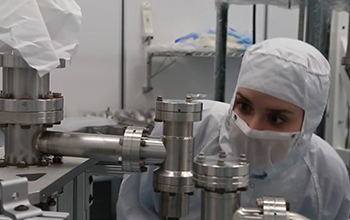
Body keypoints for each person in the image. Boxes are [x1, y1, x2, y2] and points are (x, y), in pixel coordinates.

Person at [117, 38, 350, 220]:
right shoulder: (188, 132)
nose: (252, 127)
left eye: (276, 119)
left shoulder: (326, 175)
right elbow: (135, 208)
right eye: (244, 106)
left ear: (308, 124)